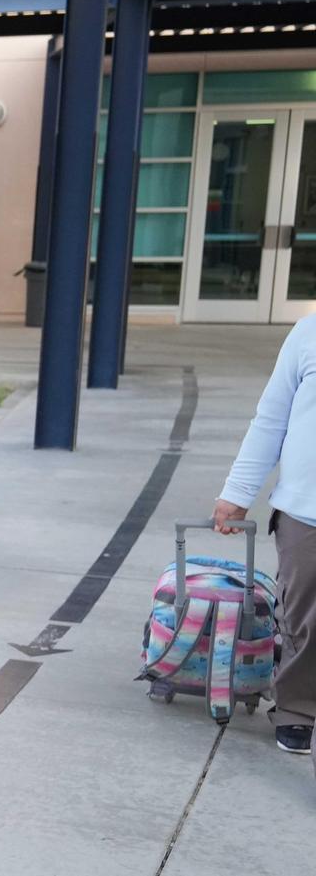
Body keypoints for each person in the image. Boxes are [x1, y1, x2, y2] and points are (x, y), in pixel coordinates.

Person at [213, 313, 316, 758]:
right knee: (303, 618)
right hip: (306, 508)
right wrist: (237, 494)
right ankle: (296, 710)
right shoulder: (309, 332)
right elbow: (271, 419)